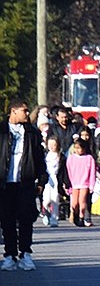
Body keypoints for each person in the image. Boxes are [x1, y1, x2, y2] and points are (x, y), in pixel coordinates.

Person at [1, 101, 47, 271]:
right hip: (5, 184)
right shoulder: (2, 131)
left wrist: (42, 180)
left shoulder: (31, 133)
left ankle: (25, 253)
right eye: (24, 111)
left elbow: (39, 159)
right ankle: (9, 255)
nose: (27, 114)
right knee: (7, 220)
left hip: (25, 183)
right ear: (13, 111)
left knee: (26, 219)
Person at [66, 139, 98, 228]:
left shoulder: (89, 158)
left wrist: (92, 185)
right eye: (76, 148)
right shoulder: (71, 158)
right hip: (74, 183)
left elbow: (92, 172)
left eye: (79, 148)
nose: (77, 150)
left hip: (84, 183)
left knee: (82, 201)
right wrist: (69, 184)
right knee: (74, 203)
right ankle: (75, 215)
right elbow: (68, 171)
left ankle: (81, 217)